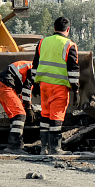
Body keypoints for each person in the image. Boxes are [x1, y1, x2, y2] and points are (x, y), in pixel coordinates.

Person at [33, 16, 79, 156]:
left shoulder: (42, 42)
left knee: (45, 115)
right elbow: (73, 70)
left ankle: (43, 148)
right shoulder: (70, 45)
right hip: (59, 86)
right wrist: (76, 89)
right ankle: (56, 148)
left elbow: (35, 65)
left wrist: (34, 84)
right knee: (56, 116)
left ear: (54, 28)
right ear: (68, 29)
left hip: (44, 85)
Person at [0, 60, 36, 155]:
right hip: (6, 87)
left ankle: (18, 144)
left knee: (14, 117)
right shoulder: (35, 68)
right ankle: (14, 146)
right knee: (20, 115)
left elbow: (23, 93)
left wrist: (26, 105)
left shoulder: (29, 67)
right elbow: (26, 89)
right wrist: (28, 108)